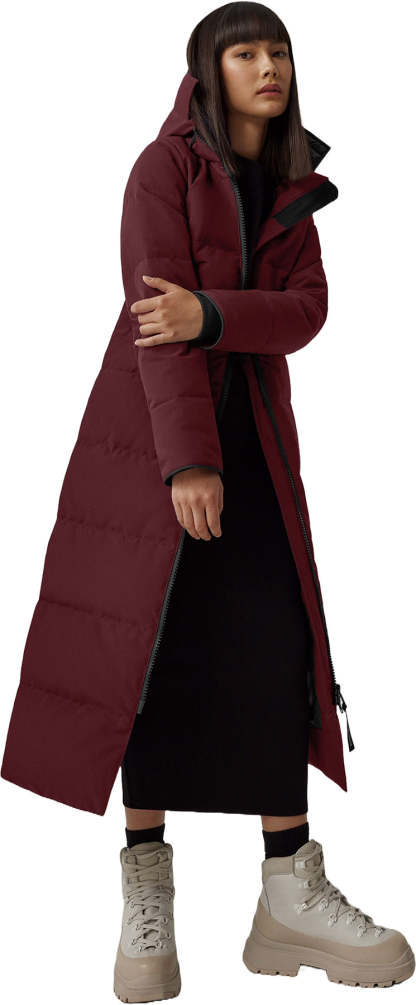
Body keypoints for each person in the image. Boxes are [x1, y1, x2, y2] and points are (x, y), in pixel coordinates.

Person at [1, 3, 413, 1001]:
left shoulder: (294, 183)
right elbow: (157, 322)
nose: (268, 66)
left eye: (279, 51)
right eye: (246, 52)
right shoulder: (162, 170)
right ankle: (146, 895)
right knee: (147, 651)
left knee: (276, 647)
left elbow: (306, 313)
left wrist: (214, 311)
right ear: (207, 71)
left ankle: (288, 892)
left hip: (258, 445)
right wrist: (187, 461)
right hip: (153, 442)